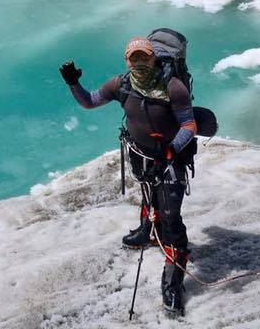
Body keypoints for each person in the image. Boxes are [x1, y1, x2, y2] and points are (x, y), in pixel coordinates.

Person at [59, 37, 197, 316]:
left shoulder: (173, 87)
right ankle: (148, 230)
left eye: (143, 57)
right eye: (133, 58)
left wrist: (171, 152)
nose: (139, 63)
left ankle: (173, 282)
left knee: (171, 219)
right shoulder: (121, 84)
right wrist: (73, 83)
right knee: (148, 193)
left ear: (153, 58)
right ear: (126, 60)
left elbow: (189, 124)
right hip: (141, 155)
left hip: (170, 160)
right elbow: (90, 101)